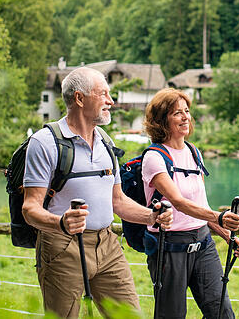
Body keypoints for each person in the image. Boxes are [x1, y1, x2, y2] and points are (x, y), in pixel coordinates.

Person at [22, 67, 173, 318]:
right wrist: (60, 222)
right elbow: (30, 208)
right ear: (80, 99)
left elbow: (118, 201)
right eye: (103, 94)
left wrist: (151, 217)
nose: (110, 102)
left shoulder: (105, 141)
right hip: (62, 246)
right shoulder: (44, 143)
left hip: (108, 245)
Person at [141, 88, 239, 319]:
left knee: (222, 313)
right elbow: (178, 202)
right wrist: (219, 217)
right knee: (172, 315)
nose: (185, 117)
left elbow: (201, 206)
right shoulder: (154, 157)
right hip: (169, 248)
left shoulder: (193, 152)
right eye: (177, 113)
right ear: (161, 120)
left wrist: (227, 236)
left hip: (203, 244)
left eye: (187, 111)